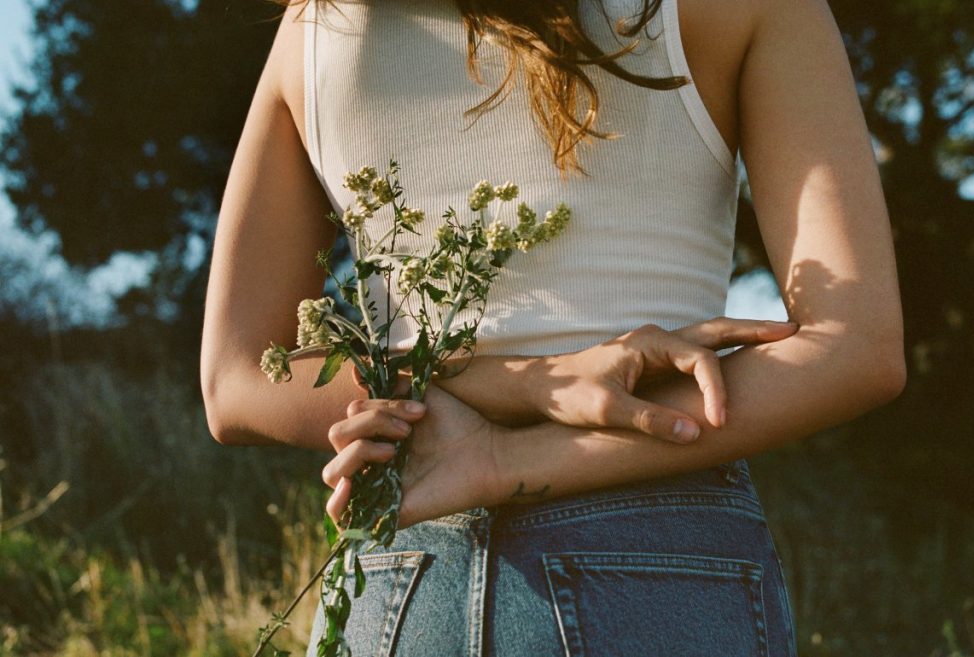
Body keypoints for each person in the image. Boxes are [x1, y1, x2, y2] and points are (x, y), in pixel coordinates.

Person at [199, 0, 905, 654]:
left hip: (401, 556)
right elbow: (856, 349)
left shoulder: (318, 22)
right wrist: (520, 428)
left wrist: (505, 406)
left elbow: (236, 380)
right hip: (659, 553)